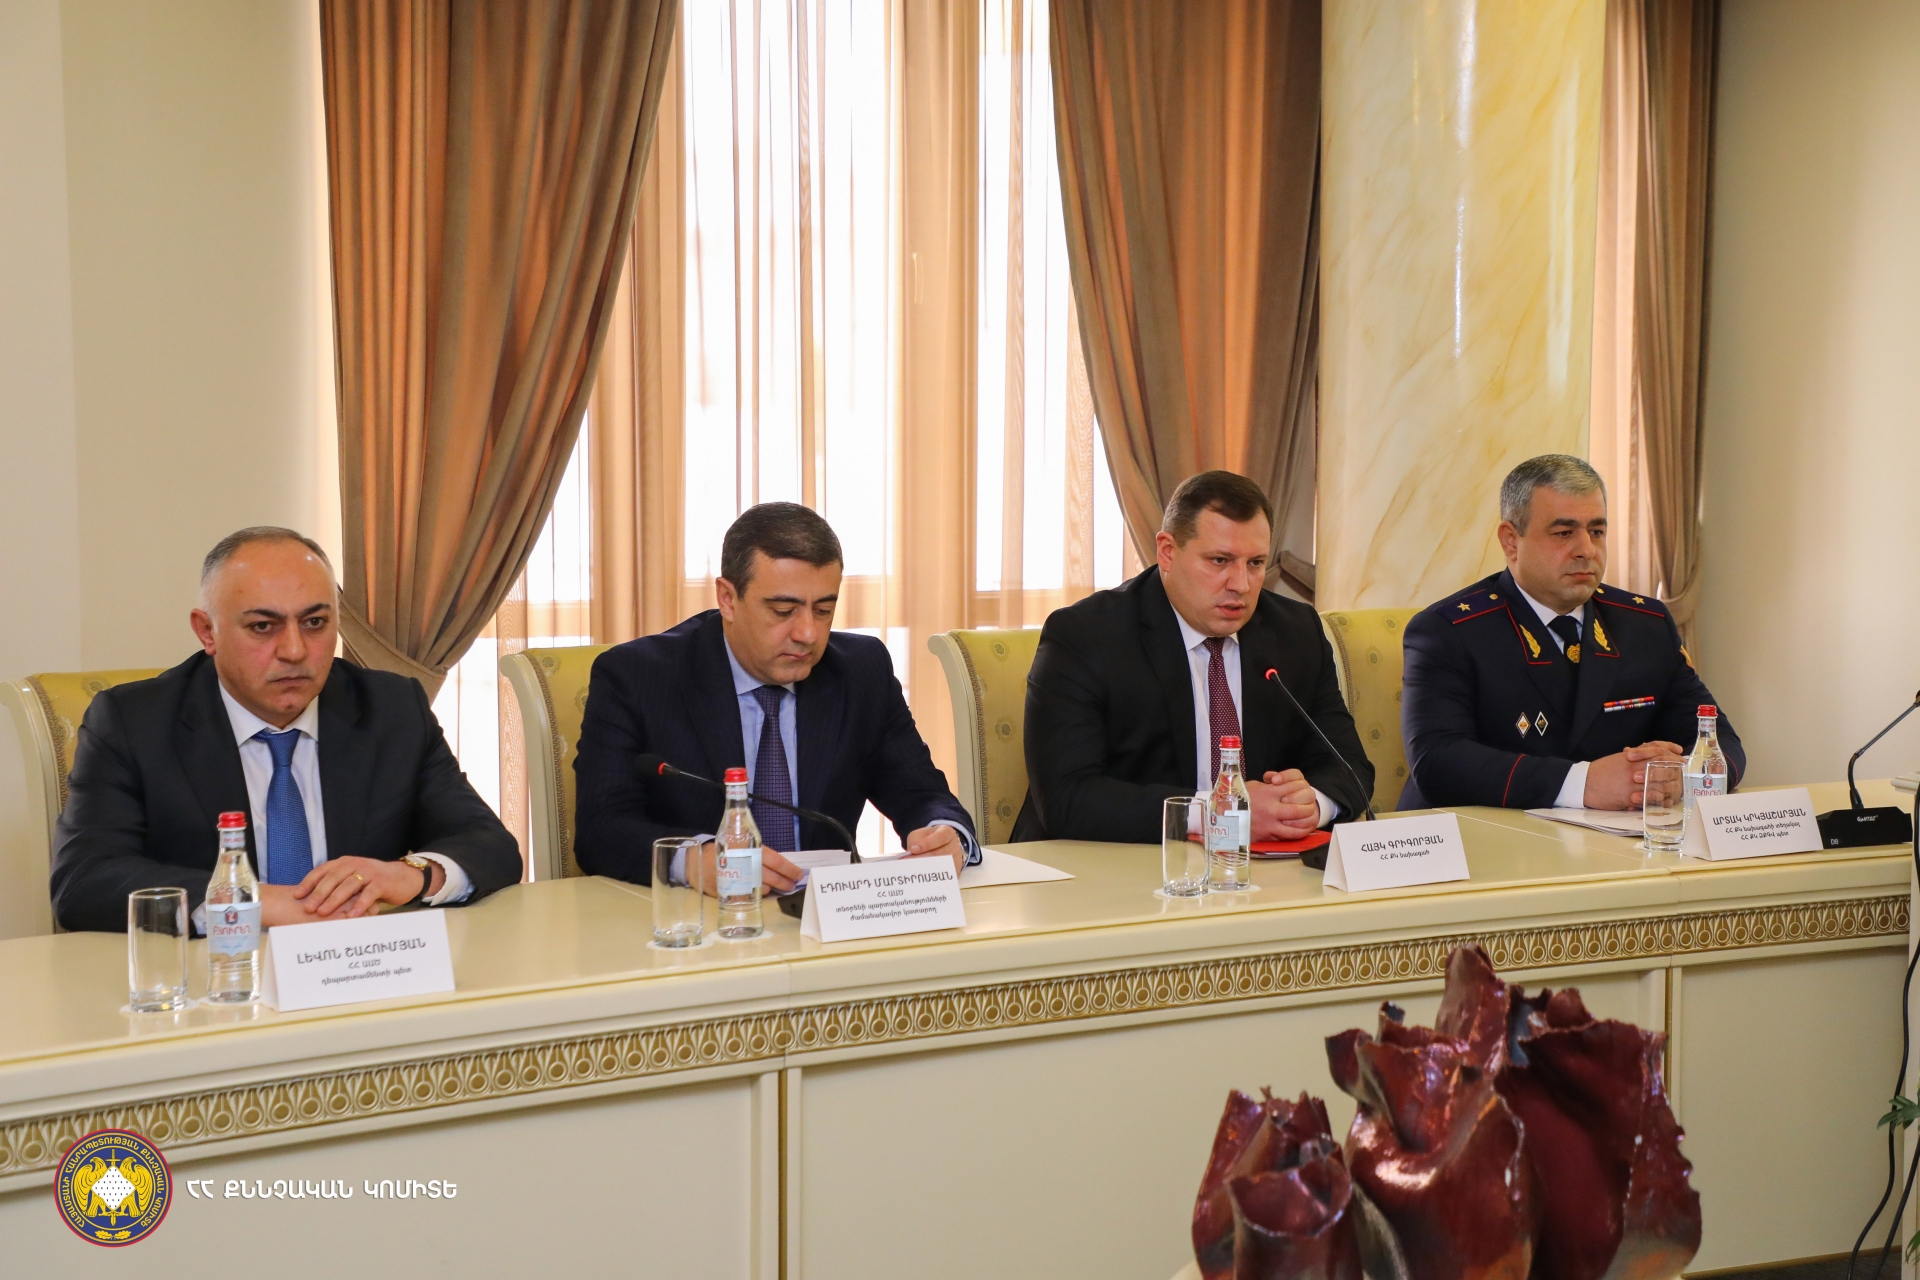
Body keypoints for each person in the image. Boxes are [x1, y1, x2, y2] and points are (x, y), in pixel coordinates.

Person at [51, 528, 522, 933]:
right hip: (214, 977)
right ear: (207, 632)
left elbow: (488, 844)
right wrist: (257, 903)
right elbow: (83, 880)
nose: (295, 650)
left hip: (359, 973)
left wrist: (411, 874)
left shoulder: (391, 708)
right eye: (263, 626)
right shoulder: (134, 722)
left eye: (315, 623)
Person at [573, 502, 977, 890]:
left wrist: (944, 834)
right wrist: (694, 861)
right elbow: (601, 830)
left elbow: (922, 793)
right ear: (728, 599)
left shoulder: (861, 671)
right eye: (784, 611)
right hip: (701, 919)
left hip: (823, 918)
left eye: (823, 610)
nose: (808, 634)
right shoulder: (638, 677)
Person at [1013, 471, 1373, 844]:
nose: (1241, 584)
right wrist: (1219, 813)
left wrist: (1309, 804)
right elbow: (1066, 799)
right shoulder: (1086, 636)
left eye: (1255, 563)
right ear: (1168, 552)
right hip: (1108, 863)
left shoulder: (1296, 632)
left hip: (1257, 866)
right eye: (1219, 560)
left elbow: (1350, 765)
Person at [1399, 454, 1745, 810]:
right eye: (1564, 533)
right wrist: (1583, 784)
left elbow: (1718, 739)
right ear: (1511, 541)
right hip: (1477, 835)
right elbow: (1437, 760)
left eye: (1596, 531)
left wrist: (1680, 775)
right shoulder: (1449, 631)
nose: (1586, 550)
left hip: (1610, 837)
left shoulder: (1646, 625)